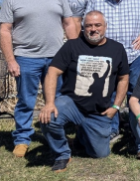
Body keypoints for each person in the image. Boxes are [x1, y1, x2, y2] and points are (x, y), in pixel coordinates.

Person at [0, 0, 78, 158]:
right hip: (26, 58)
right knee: (26, 101)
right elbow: (5, 30)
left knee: (59, 100)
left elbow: (69, 23)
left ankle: (57, 135)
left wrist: (75, 52)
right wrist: (10, 60)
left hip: (56, 58)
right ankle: (22, 139)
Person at [39, 11, 130, 172]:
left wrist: (116, 107)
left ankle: (82, 136)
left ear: (105, 27)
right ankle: (62, 154)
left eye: (97, 25)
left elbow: (123, 79)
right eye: (88, 25)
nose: (93, 29)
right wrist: (50, 103)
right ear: (83, 28)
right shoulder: (72, 46)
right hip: (71, 104)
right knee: (49, 116)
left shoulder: (117, 48)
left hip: (98, 111)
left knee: (100, 154)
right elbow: (52, 71)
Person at [84, 0, 140, 142]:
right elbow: (86, 25)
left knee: (135, 93)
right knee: (109, 94)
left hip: (133, 54)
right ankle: (112, 129)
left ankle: (136, 129)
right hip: (106, 55)